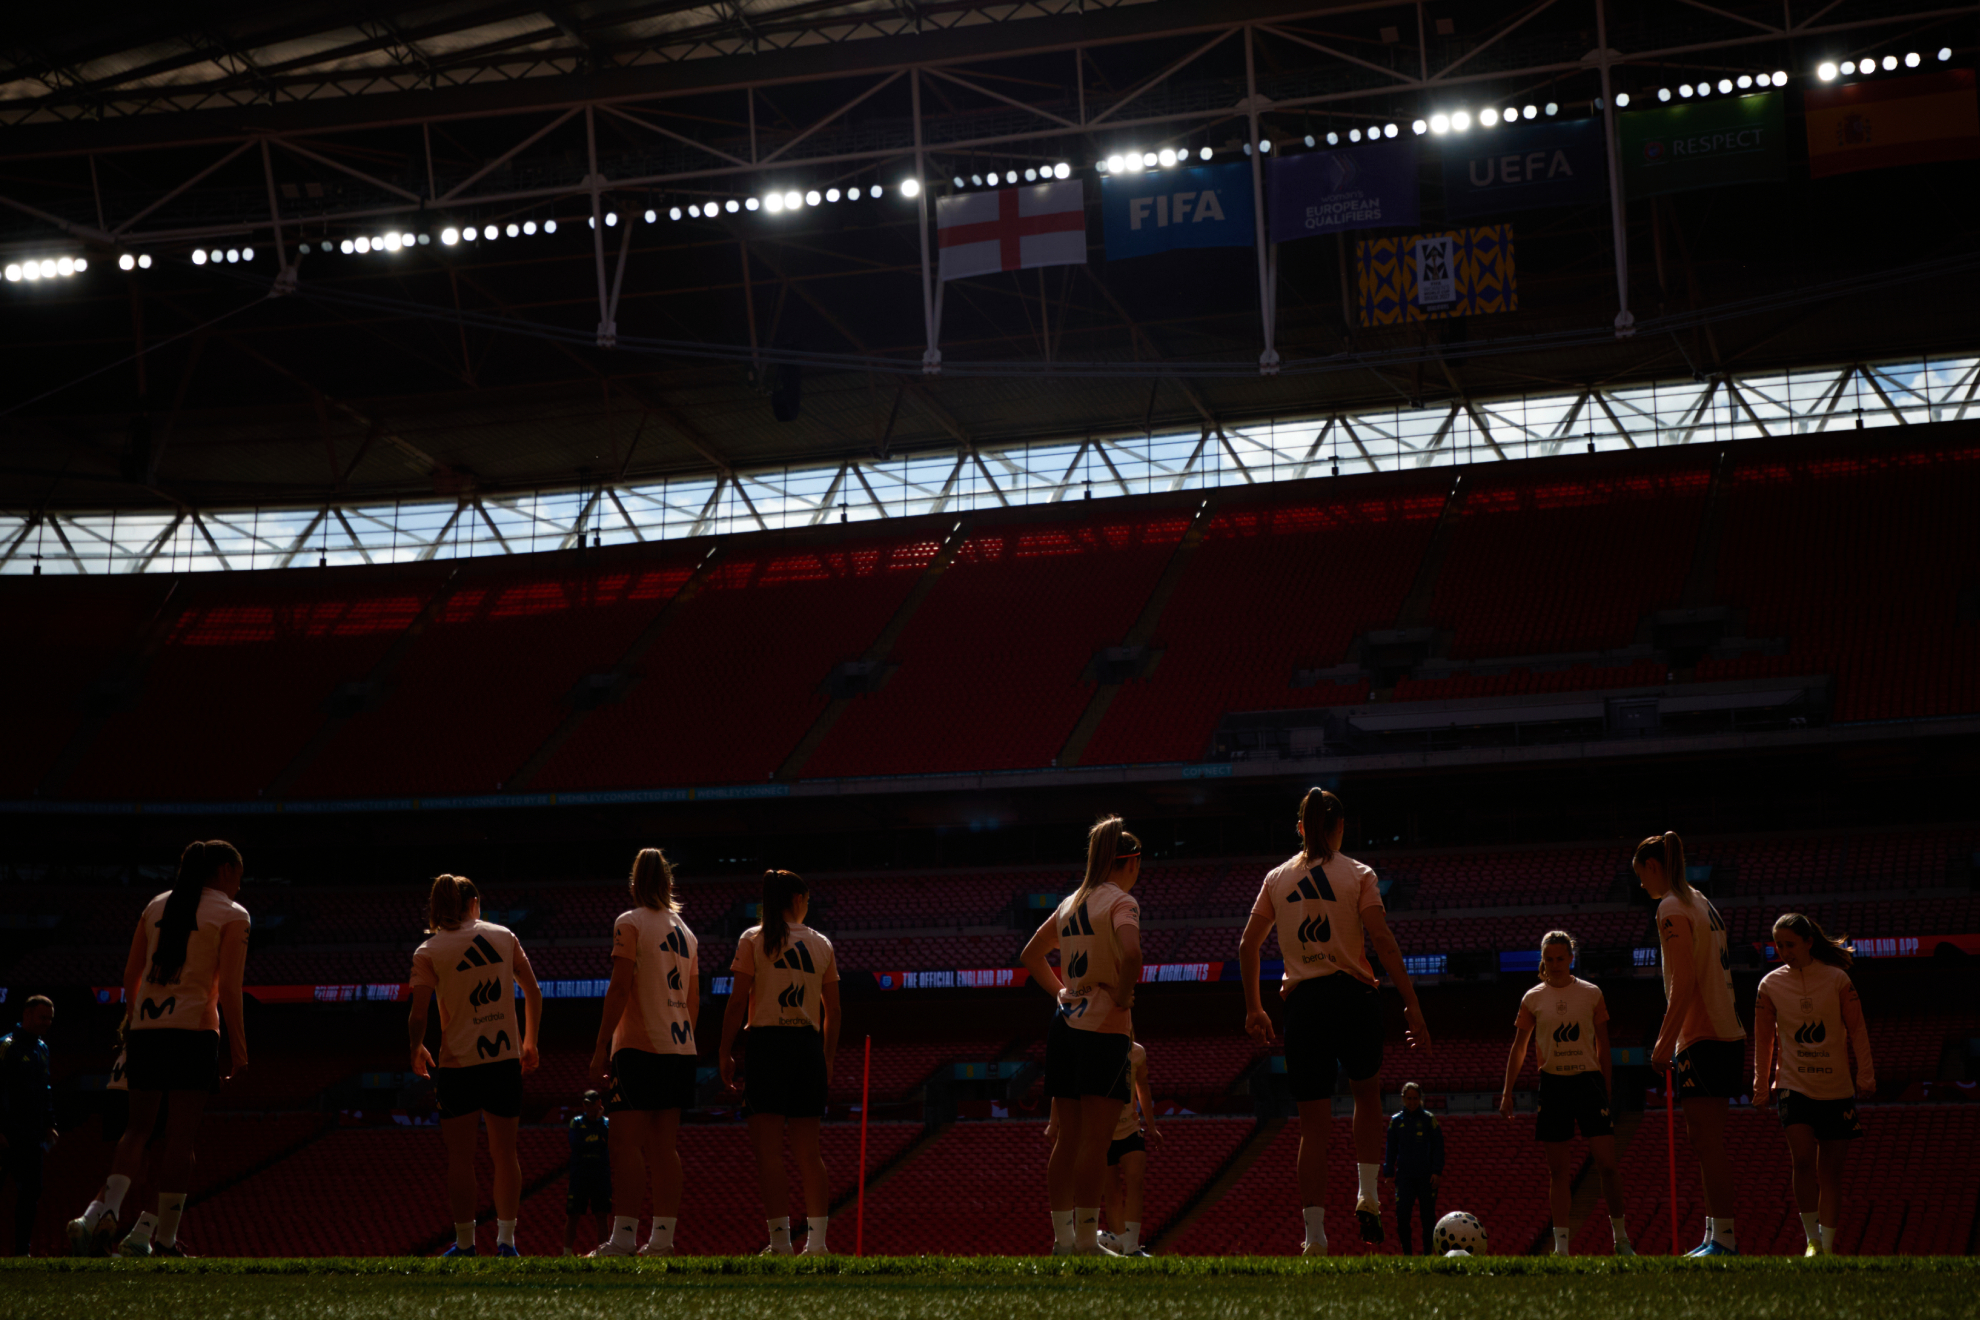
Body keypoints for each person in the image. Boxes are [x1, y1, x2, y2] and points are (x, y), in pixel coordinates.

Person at [1239, 788, 1430, 1256]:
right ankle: (1366, 1192)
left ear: (1302, 828)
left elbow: (1247, 946)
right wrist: (1411, 1003)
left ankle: (1315, 1238)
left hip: (1303, 1002)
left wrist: (1254, 1008)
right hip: (1354, 996)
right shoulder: (1359, 874)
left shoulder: (1276, 877)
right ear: (1340, 827)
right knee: (1366, 1095)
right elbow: (1382, 940)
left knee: (1313, 1127)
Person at [68, 840, 249, 1259]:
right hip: (194, 1031)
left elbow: (130, 976)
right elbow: (232, 992)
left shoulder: (155, 906)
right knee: (179, 1140)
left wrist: (137, 1023)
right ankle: (155, 1238)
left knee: (137, 1131)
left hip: (147, 1030)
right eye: (239, 875)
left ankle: (102, 1211)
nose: (240, 884)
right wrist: (239, 1050)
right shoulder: (232, 914)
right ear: (224, 871)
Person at [1020, 817, 1144, 1257]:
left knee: (1066, 1139)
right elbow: (1131, 952)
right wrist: (1125, 994)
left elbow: (1031, 954)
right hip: (1102, 1028)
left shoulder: (1071, 901)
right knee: (1096, 1139)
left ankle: (1063, 1241)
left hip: (1064, 1023)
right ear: (1128, 862)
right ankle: (1089, 1240)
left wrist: (1062, 993)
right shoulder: (1120, 901)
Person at [407, 874, 542, 1258]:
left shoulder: (428, 950)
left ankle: (465, 1244)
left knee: (461, 1158)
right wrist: (529, 1041)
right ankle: (507, 1243)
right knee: (506, 1154)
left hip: (458, 1064)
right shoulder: (504, 936)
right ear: (473, 903)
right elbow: (533, 990)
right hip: (503, 1061)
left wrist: (416, 1048)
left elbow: (418, 1015)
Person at [718, 870, 839, 1256]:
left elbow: (737, 1002)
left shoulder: (753, 938)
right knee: (810, 1152)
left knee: (769, 1151)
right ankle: (817, 1244)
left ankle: (780, 1243)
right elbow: (833, 1011)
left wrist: (724, 1050)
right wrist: (828, 1059)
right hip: (807, 1046)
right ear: (798, 899)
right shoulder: (821, 943)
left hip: (768, 1043)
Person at [1637, 831, 1745, 1256]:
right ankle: (1716, 1236)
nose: (1642, 886)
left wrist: (1664, 1042)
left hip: (1702, 1034)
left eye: (1641, 876)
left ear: (1652, 867)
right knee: (1708, 1139)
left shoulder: (1670, 906)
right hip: (1725, 1028)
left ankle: (1723, 1240)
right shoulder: (1701, 900)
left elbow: (1683, 981)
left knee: (1705, 1140)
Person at [588, 847, 700, 1258]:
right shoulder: (687, 933)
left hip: (639, 1045)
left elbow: (619, 988)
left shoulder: (629, 922)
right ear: (670, 885)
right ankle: (663, 1240)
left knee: (625, 1144)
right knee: (663, 1146)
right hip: (680, 1045)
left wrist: (601, 1046)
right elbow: (693, 1000)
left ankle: (623, 1238)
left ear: (634, 883)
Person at [1498, 931, 1633, 1257]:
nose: (1555, 964)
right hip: (1553, 1085)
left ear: (1571, 958)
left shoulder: (1591, 994)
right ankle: (1561, 1249)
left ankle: (1622, 1240)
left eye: (1561, 958)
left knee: (1607, 1165)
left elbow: (1603, 1044)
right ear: (1543, 961)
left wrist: (1607, 1087)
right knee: (1558, 1171)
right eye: (1550, 959)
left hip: (1588, 1083)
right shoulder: (1532, 998)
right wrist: (1507, 1092)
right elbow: (1519, 1048)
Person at [1752, 913, 1874, 1257]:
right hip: (1793, 1084)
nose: (1784, 951)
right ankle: (1812, 1241)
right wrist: (1762, 1086)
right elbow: (1763, 1041)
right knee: (1803, 1159)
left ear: (1808, 942)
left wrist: (1866, 1075)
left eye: (1790, 944)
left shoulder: (1838, 980)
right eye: (1779, 945)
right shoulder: (1769, 985)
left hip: (1836, 1088)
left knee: (1831, 1172)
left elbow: (1858, 1029)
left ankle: (1829, 1247)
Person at [1, 996, 58, 1256]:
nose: (47, 1023)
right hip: (6, 1135)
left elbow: (46, 1089)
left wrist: (50, 1124)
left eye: (50, 1019)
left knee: (32, 1192)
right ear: (27, 1014)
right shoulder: (6, 1046)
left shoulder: (43, 1049)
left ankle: (22, 1251)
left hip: (32, 1136)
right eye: (42, 1017)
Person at [1100, 1041, 1160, 1257]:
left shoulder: (1137, 1052)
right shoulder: (1095, 1049)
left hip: (1130, 1128)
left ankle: (1132, 1246)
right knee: (1112, 1191)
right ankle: (1122, 1246)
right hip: (1103, 1133)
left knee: (1136, 1180)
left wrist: (1151, 1126)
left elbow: (1142, 1087)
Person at [1381, 1082, 1443, 1256]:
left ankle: (1427, 1255)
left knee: (1428, 1218)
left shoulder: (1429, 1120)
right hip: (1404, 1177)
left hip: (1426, 1177)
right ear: (1403, 1099)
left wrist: (1437, 1172)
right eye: (1409, 1098)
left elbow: (1439, 1147)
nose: (1412, 1102)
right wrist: (1388, 1174)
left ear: (1420, 1099)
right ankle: (1407, 1255)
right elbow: (1390, 1149)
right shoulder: (1396, 1121)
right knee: (1402, 1217)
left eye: (1415, 1098)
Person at [564, 1091, 612, 1256]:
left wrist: (598, 1126)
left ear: (599, 1103)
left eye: (592, 1104)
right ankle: (567, 1253)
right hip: (580, 1176)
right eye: (586, 1104)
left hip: (600, 1176)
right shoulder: (576, 1123)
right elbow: (577, 1145)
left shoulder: (606, 1123)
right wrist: (597, 1141)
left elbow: (609, 1142)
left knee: (601, 1216)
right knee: (573, 1215)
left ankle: (603, 1252)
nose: (589, 1107)